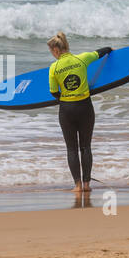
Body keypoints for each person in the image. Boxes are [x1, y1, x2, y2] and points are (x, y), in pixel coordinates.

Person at [47, 32, 112, 195]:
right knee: (86, 147)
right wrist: (110, 49)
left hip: (67, 110)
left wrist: (67, 95)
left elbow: (54, 92)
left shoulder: (54, 68)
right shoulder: (82, 58)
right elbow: (100, 53)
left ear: (55, 50)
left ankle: (77, 186)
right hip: (85, 108)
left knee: (71, 149)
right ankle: (87, 184)